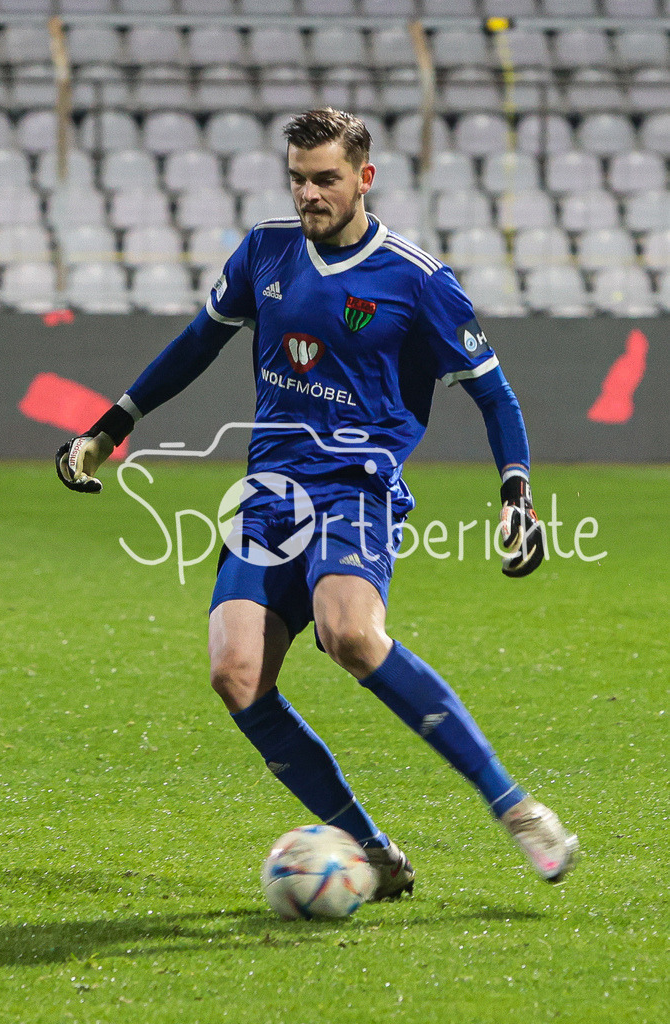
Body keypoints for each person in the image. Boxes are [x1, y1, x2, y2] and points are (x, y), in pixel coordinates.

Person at [56, 108, 578, 898]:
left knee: (351, 635)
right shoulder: (264, 251)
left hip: (354, 490)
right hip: (268, 498)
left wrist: (516, 495)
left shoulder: (417, 280)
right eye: (298, 179)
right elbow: (197, 342)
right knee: (235, 675)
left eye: (326, 179)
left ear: (364, 177)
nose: (309, 193)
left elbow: (494, 395)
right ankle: (372, 852)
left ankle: (517, 809)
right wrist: (111, 427)